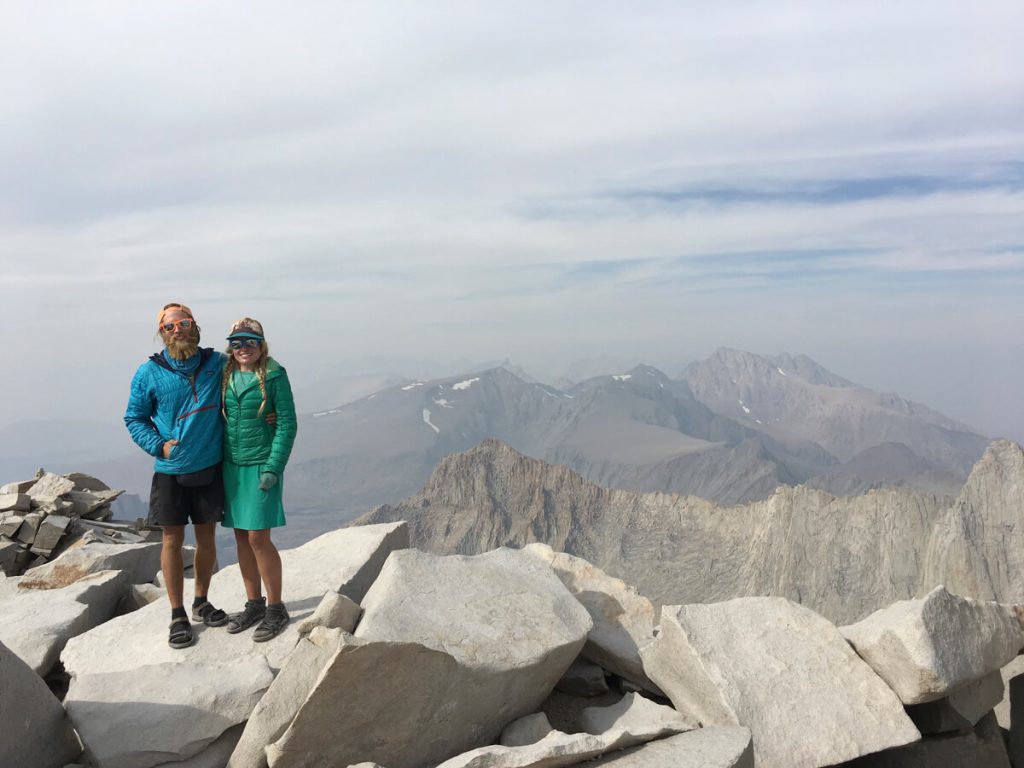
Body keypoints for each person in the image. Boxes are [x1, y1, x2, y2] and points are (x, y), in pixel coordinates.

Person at [124, 303, 230, 649]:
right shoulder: (148, 373)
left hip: (209, 465)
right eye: (170, 326)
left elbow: (248, 379)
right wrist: (159, 446)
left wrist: (269, 414)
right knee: (171, 540)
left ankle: (201, 601)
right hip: (171, 471)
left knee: (207, 538)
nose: (178, 330)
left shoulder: (217, 363)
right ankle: (177, 614)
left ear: (195, 326)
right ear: (162, 333)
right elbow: (134, 418)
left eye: (183, 323)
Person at [220, 317, 297, 642]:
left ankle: (276, 608)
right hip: (230, 467)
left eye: (249, 342)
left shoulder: (275, 375)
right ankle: (254, 603)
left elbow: (287, 424)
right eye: (236, 343)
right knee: (240, 537)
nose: (242, 349)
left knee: (257, 538)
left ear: (260, 344)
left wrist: (273, 467)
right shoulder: (224, 373)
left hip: (260, 465)